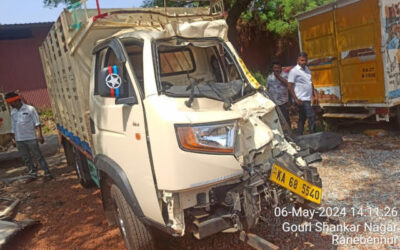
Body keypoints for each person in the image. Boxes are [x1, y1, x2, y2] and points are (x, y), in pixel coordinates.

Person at [5, 92, 52, 179]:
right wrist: (13, 139)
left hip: (31, 138)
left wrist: (40, 135)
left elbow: (37, 123)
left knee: (38, 156)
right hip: (19, 140)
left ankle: (47, 173)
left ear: (16, 101)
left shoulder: (30, 109)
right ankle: (33, 173)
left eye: (10, 103)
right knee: (26, 158)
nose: (10, 105)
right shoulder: (13, 112)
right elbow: (13, 126)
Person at [288, 52, 318, 135]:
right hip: (301, 99)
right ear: (298, 60)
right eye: (302, 60)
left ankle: (299, 135)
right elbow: (289, 86)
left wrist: (314, 94)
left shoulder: (307, 69)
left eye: (305, 60)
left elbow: (310, 82)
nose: (304, 62)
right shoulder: (294, 71)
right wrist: (295, 99)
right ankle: (313, 134)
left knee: (302, 118)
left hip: (307, 98)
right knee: (311, 115)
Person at [266, 61, 290, 125]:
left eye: (278, 68)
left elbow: (288, 84)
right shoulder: (270, 77)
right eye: (275, 68)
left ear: (281, 68)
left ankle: (289, 132)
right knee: (276, 119)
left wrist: (278, 77)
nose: (276, 69)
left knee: (286, 118)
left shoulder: (285, 75)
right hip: (273, 102)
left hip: (283, 102)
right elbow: (267, 88)